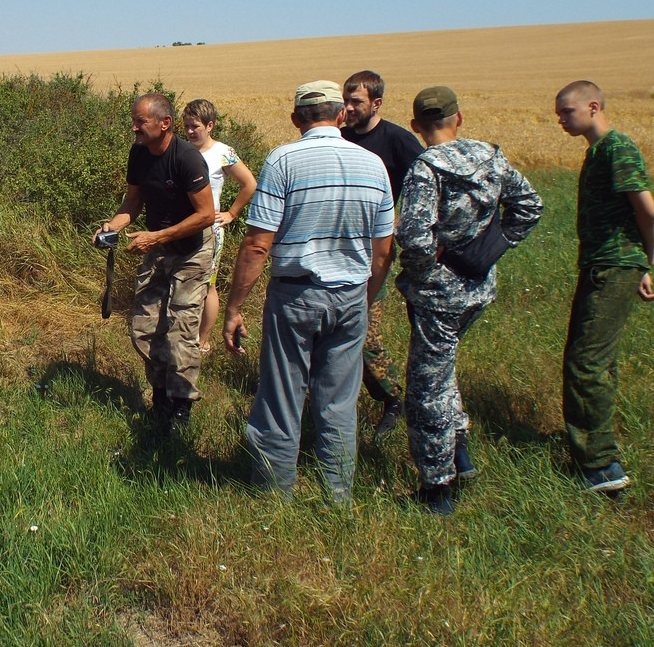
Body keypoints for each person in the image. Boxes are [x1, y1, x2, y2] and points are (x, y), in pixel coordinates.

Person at [222, 80, 394, 504]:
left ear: (296, 118)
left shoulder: (283, 160)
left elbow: (259, 243)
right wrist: (364, 300)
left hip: (296, 296)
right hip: (351, 294)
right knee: (338, 404)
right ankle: (338, 498)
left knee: (282, 397)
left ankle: (273, 497)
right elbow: (384, 250)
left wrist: (234, 307)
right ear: (341, 115)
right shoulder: (374, 164)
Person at [397, 86, 543, 514]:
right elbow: (529, 207)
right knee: (444, 373)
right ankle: (462, 459)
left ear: (415, 127)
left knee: (425, 391)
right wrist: (487, 251)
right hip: (478, 289)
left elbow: (414, 237)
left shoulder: (427, 169)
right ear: (458, 118)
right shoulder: (491, 157)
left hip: (438, 297)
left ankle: (436, 488)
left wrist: (428, 274)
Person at [555, 80, 654, 494]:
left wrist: (643, 261)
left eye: (567, 111)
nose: (561, 120)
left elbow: (648, 209)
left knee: (586, 363)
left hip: (611, 267)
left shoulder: (617, 148)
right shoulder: (597, 151)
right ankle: (598, 448)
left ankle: (601, 466)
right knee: (594, 359)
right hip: (610, 264)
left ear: (593, 106)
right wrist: (638, 263)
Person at [96, 93, 215, 435]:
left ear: (165, 124)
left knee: (180, 330)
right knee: (144, 327)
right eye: (133, 121)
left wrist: (157, 237)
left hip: (191, 250)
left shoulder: (187, 159)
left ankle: (181, 407)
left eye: (140, 122)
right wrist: (113, 226)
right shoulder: (139, 154)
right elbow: (133, 200)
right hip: (158, 245)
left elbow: (206, 215)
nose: (134, 128)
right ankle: (160, 396)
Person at [340, 70, 426, 442]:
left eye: (356, 101)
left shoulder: (397, 141)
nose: (348, 108)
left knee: (362, 335)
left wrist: (398, 221)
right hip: (338, 248)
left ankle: (393, 399)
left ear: (376, 103)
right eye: (345, 100)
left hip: (373, 254)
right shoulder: (338, 137)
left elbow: (427, 185)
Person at [182, 99, 258, 356]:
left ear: (210, 125)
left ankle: (202, 342)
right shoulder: (180, 149)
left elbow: (249, 183)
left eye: (195, 126)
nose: (190, 132)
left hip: (210, 229)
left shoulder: (223, 152)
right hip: (181, 226)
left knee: (207, 285)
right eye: (187, 126)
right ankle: (182, 335)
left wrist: (232, 213)